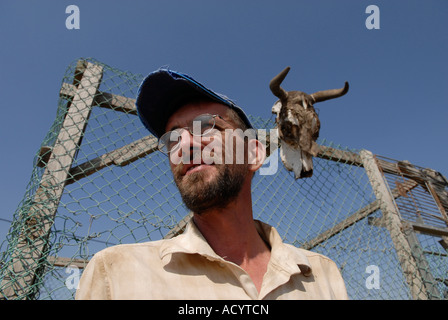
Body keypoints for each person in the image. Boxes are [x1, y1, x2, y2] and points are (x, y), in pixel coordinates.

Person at [75, 68, 348, 300]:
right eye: (172, 139)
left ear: (253, 153)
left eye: (207, 127)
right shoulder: (115, 275)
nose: (185, 145)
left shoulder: (322, 277)